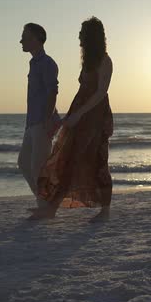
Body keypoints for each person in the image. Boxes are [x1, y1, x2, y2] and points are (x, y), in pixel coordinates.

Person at [29, 16, 114, 223]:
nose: (78, 37)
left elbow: (101, 92)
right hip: (81, 113)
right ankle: (51, 208)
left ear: (91, 37)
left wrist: (79, 114)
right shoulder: (88, 61)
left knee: (96, 161)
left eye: (81, 33)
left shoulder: (105, 60)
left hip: (95, 115)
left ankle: (105, 211)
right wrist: (69, 115)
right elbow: (82, 91)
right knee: (68, 159)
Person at [17, 23, 61, 217]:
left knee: (38, 167)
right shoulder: (34, 63)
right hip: (31, 123)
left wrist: (46, 120)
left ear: (36, 38)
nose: (21, 41)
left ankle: (46, 208)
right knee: (24, 164)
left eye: (24, 37)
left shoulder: (47, 63)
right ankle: (46, 203)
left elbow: (53, 91)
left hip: (42, 122)